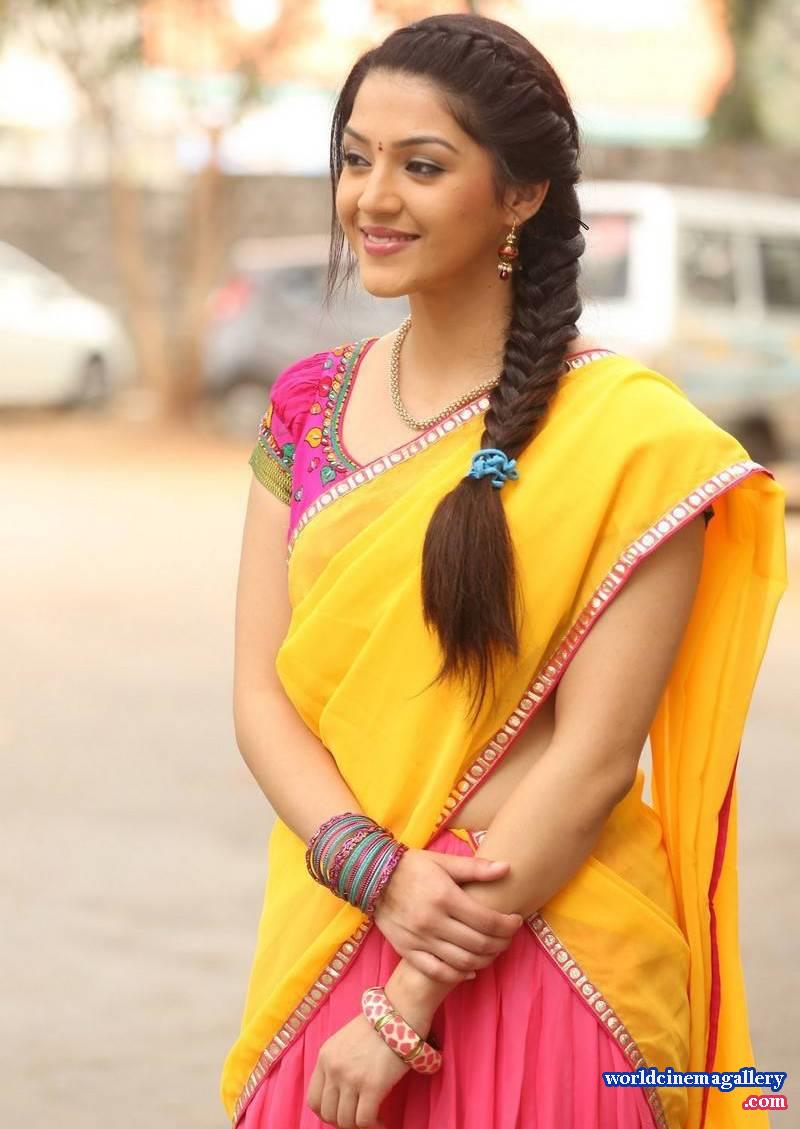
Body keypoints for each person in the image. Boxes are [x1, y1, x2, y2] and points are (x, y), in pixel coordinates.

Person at [220, 14, 787, 1129]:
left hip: (545, 951)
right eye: (355, 158)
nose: (373, 197)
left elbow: (591, 760)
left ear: (520, 194)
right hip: (339, 926)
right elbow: (259, 695)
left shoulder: (633, 441)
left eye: (422, 166)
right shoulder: (305, 408)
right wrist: (379, 875)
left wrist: (405, 1002)